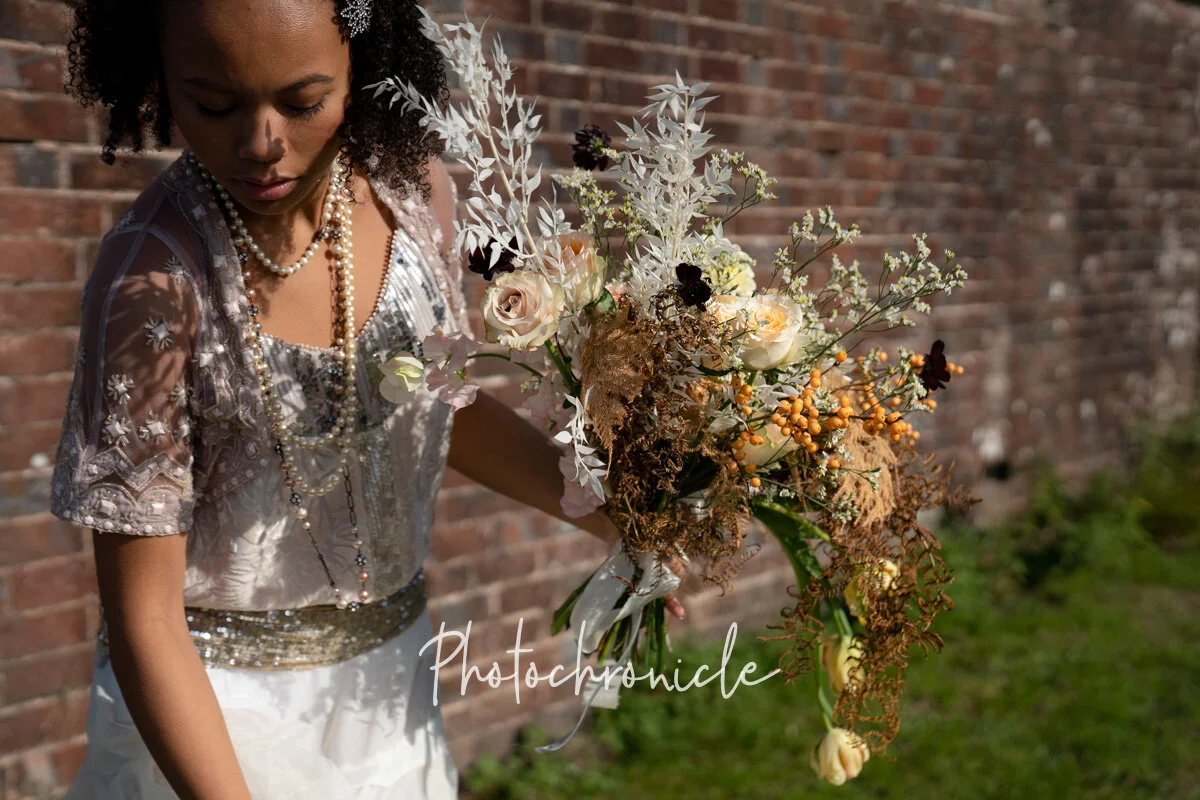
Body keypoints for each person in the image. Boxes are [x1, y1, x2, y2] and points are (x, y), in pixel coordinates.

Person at [49, 0, 686, 796]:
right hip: (213, 727)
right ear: (159, 78)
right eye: (212, 105)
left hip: (389, 696)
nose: (260, 143)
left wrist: (617, 517)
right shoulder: (151, 285)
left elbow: (439, 409)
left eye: (303, 101)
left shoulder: (413, 195)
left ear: (366, 63)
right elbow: (144, 621)